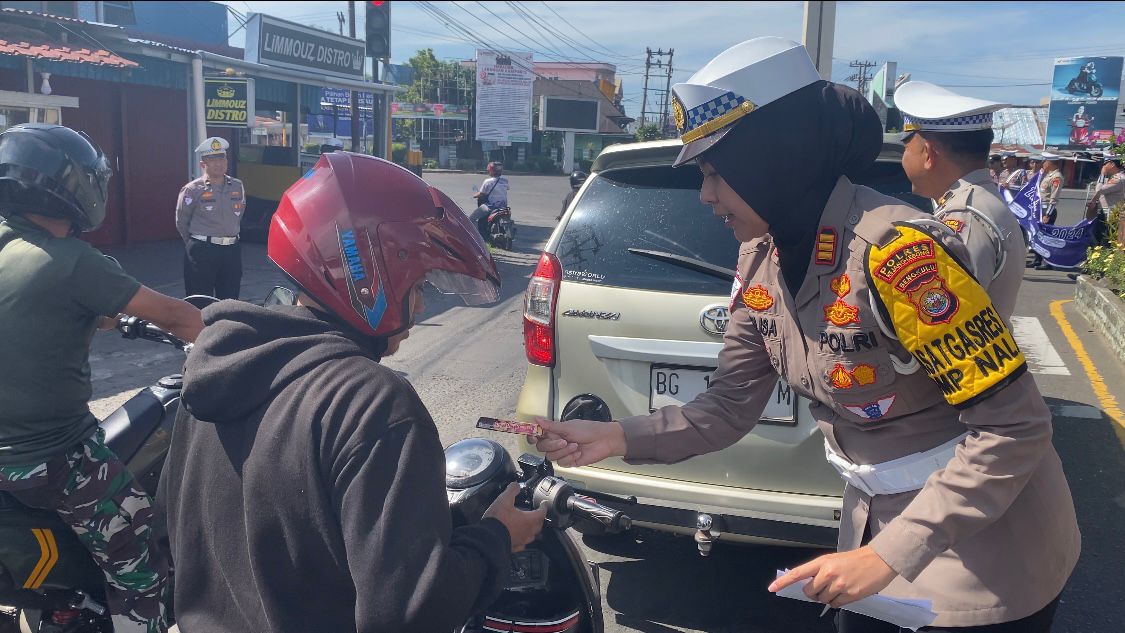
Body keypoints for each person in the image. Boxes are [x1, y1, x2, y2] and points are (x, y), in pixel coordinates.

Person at [533, 37, 1079, 632]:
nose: (705, 194)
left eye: (714, 172)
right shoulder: (761, 260)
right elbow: (727, 407)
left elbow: (1015, 427)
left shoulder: (901, 256)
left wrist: (887, 555)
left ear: (771, 160)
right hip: (869, 537)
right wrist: (614, 436)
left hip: (983, 555)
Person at [159, 153, 547, 633]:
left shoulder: (214, 369)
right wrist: (497, 538)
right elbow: (411, 611)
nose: (419, 305)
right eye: (418, 284)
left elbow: (172, 534)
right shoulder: (373, 405)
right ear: (371, 273)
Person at [0, 124, 204, 633]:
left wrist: (107, 312)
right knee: (139, 551)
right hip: (50, 456)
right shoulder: (73, 262)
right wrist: (246, 337)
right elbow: (180, 318)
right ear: (71, 187)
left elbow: (74, 312)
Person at [894, 81, 1025, 319]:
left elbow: (943, 316)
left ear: (928, 154)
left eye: (906, 149)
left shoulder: (964, 217)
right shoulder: (979, 200)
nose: (904, 158)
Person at [175, 136, 246, 299]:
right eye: (212, 160)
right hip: (202, 250)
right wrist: (196, 242)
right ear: (203, 164)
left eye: (221, 158)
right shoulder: (192, 189)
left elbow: (239, 214)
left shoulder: (237, 186)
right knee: (200, 299)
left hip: (231, 250)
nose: (218, 163)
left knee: (230, 300)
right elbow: (182, 220)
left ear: (226, 161)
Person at [1029, 153, 1065, 269]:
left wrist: (1048, 214)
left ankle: (1047, 262)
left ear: (1050, 162)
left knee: (1046, 237)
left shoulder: (1056, 177)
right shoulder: (1046, 175)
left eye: (1045, 161)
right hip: (1039, 209)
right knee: (1037, 235)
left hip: (1046, 210)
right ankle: (1037, 260)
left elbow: (1054, 198)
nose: (1043, 163)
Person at [1088, 152, 1124, 244]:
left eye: (1105, 163)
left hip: (1110, 215)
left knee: (1104, 242)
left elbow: (1099, 190)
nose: (1103, 166)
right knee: (1096, 239)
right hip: (1106, 213)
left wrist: (1102, 175)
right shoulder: (1114, 177)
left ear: (1112, 164)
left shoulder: (1118, 179)